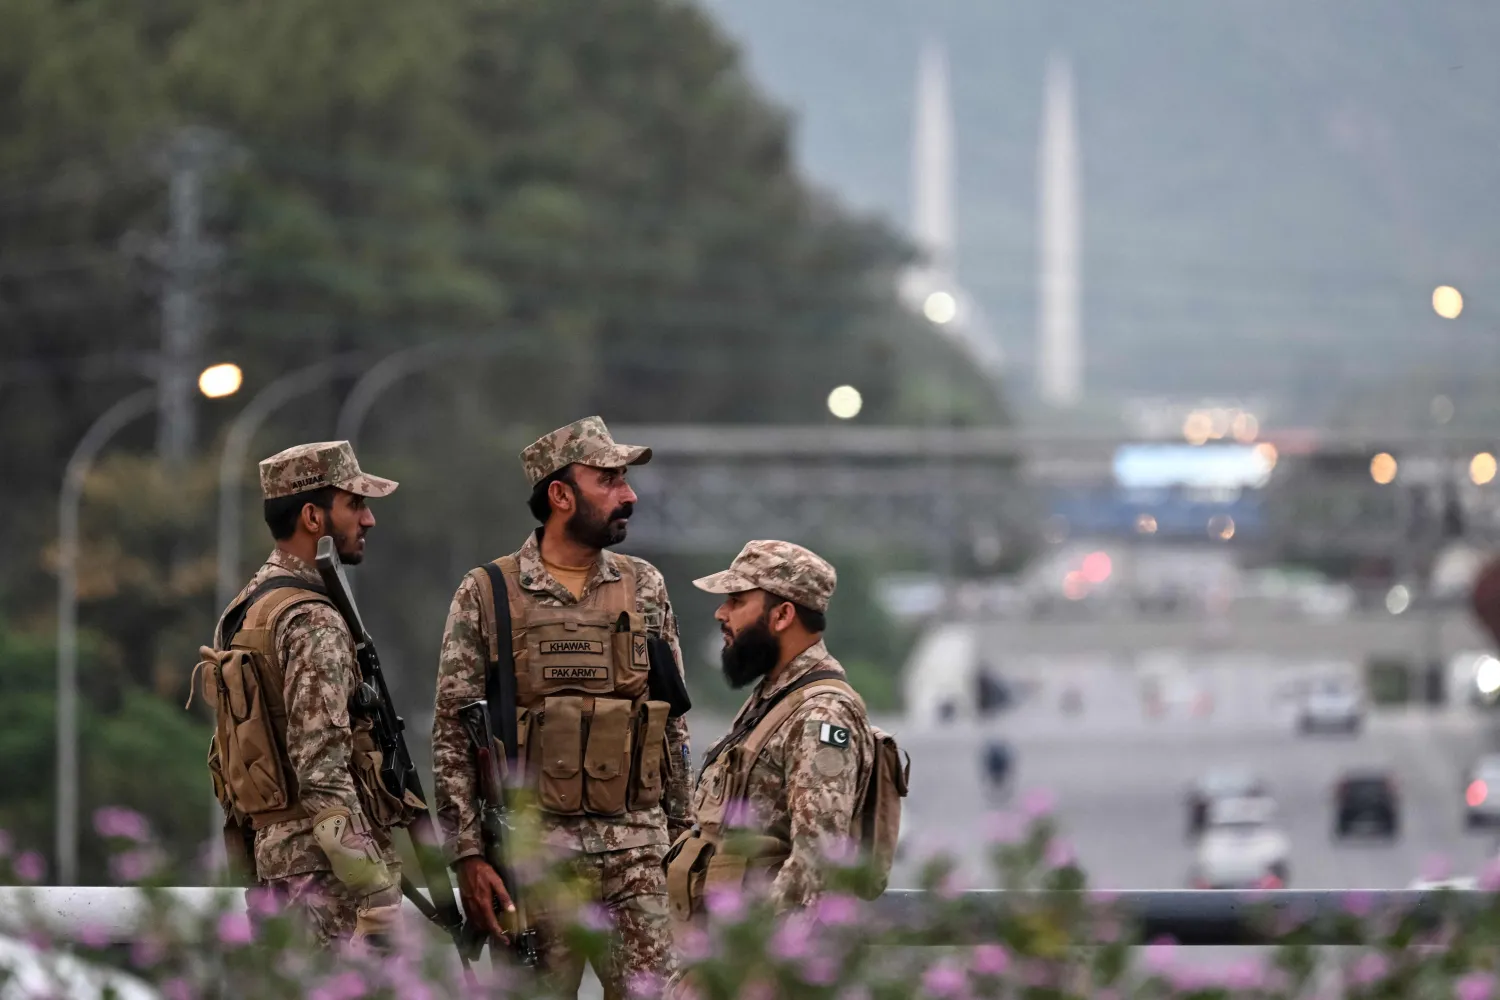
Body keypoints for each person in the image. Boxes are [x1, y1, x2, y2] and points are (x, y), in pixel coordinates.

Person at [431, 416, 691, 998]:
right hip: (534, 865)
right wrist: (468, 857)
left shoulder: (644, 586)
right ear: (560, 494)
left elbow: (671, 724)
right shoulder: (488, 594)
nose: (629, 495)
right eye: (609, 480)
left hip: (638, 862)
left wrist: (685, 840)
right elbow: (453, 732)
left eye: (625, 479)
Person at [205, 441, 413, 948]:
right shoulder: (312, 619)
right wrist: (373, 890)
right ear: (312, 516)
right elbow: (319, 767)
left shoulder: (246, 610)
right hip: (329, 881)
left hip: (279, 868)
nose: (368, 521)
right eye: (355, 505)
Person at [665, 540, 876, 917]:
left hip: (758, 961)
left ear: (782, 616)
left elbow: (818, 862)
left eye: (737, 600)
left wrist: (751, 957)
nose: (720, 613)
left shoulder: (821, 714)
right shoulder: (776, 699)